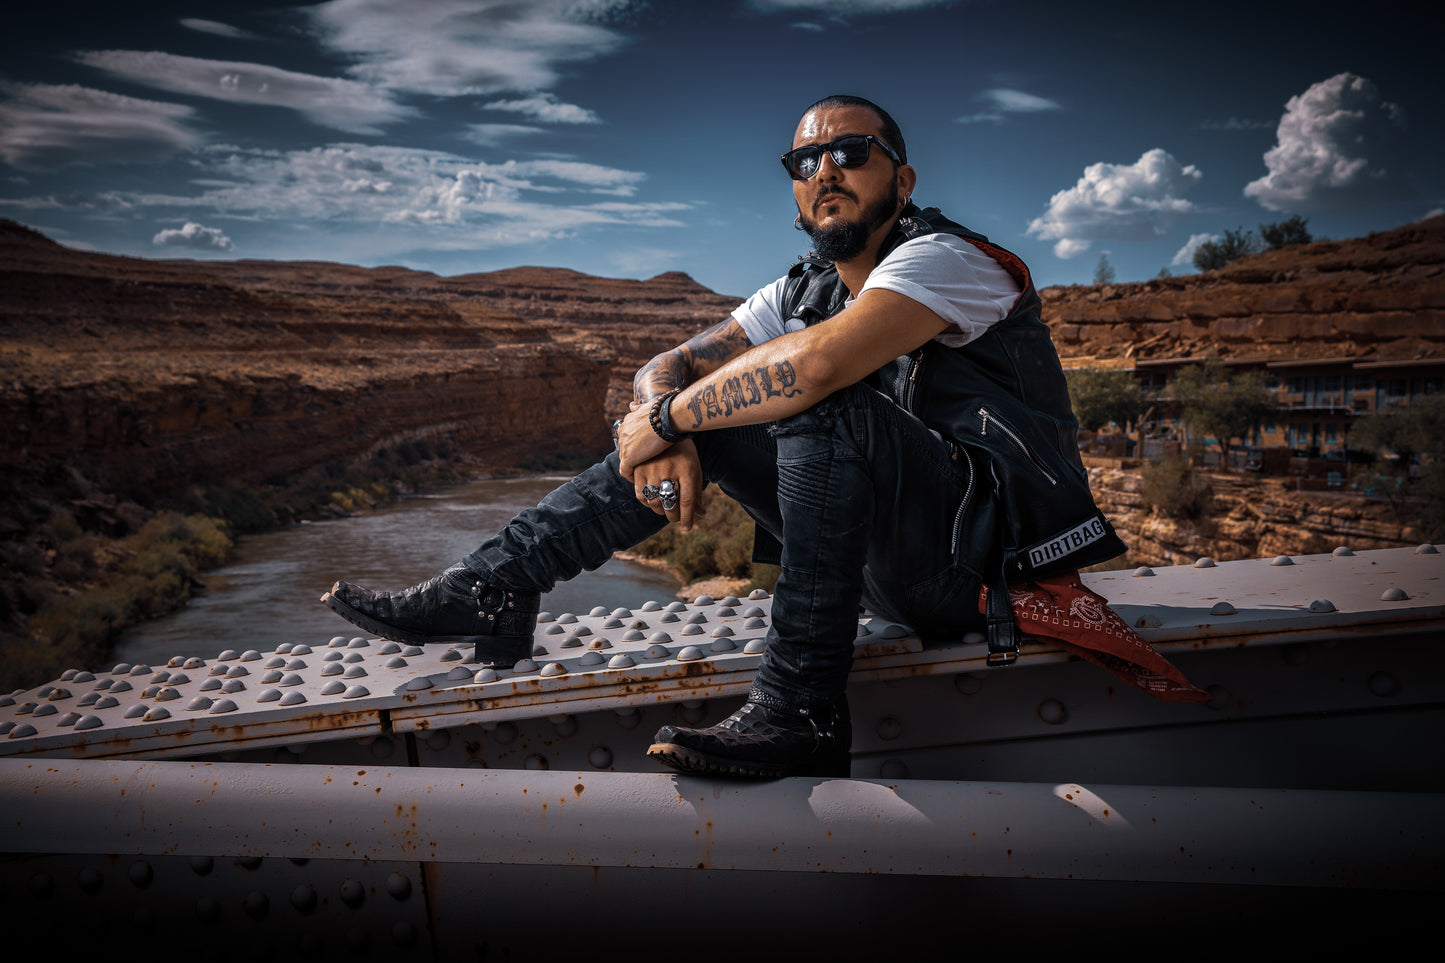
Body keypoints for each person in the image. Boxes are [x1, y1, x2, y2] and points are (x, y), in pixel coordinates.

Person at [322, 94, 1134, 779]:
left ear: (902, 176)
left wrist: (669, 417)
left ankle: (802, 708)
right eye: (803, 162)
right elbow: (670, 360)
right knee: (730, 403)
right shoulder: (803, 285)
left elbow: (814, 369)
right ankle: (492, 587)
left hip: (985, 567)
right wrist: (662, 419)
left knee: (814, 397)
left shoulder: (945, 260)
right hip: (886, 566)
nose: (825, 172)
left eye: (850, 153)